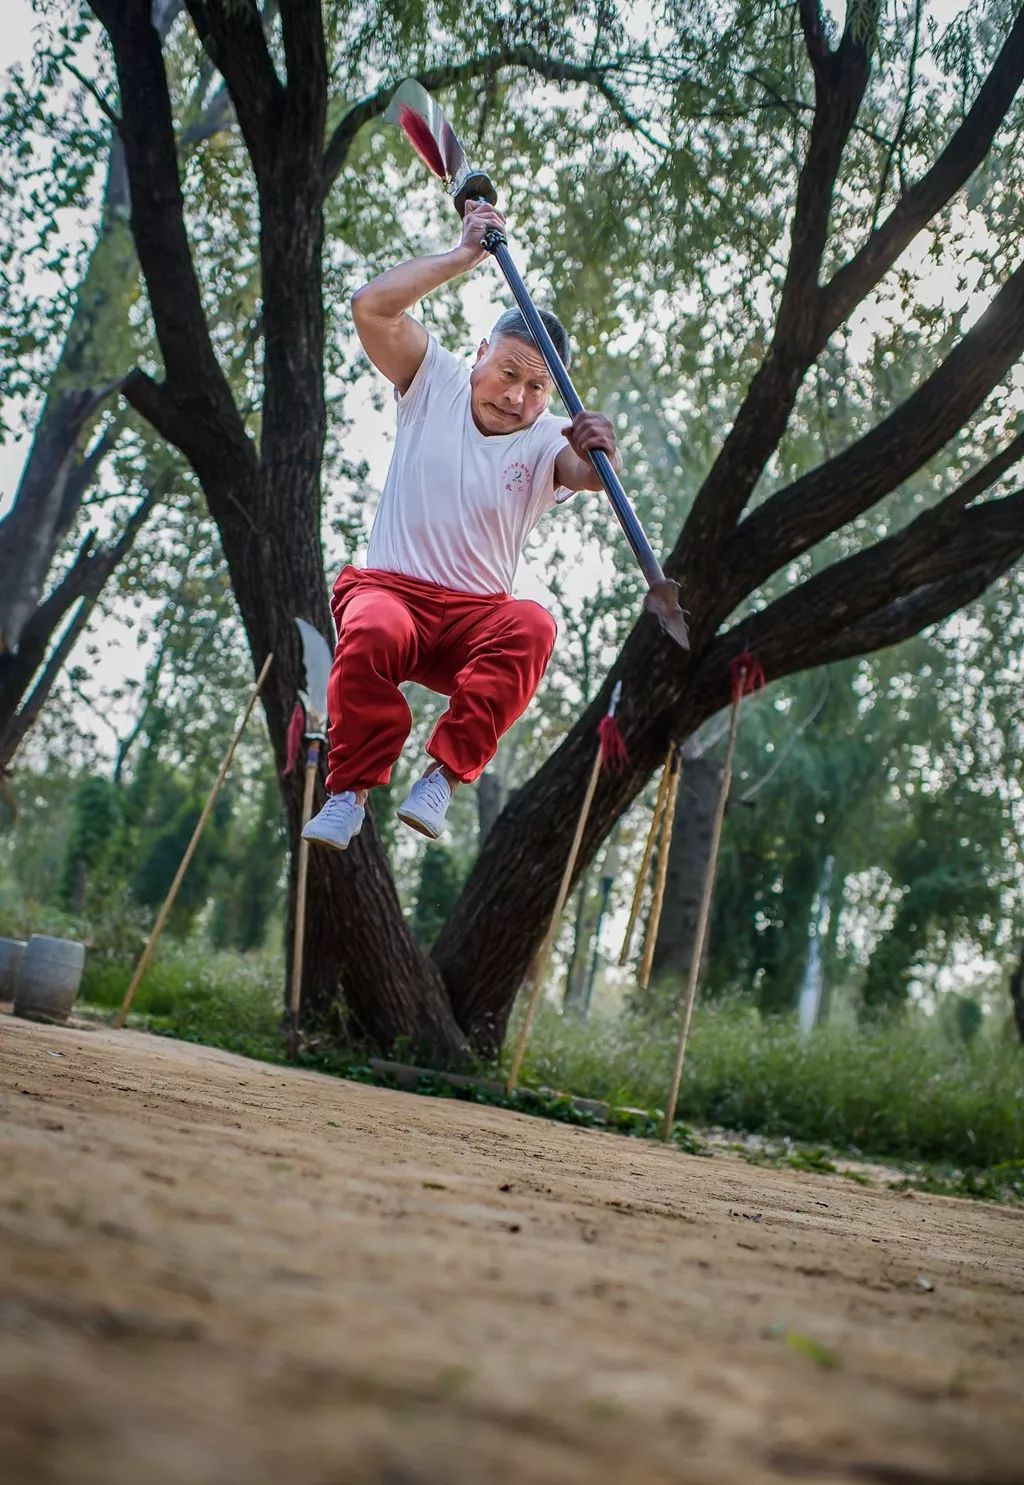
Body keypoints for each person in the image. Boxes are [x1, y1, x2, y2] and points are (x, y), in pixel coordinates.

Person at [302, 199, 621, 850]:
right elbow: (371, 307)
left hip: (474, 621)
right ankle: (350, 792)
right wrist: (463, 256)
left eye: (536, 388)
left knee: (534, 623)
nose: (516, 398)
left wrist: (602, 451)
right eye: (508, 373)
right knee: (371, 628)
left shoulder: (547, 438)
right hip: (392, 594)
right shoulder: (434, 379)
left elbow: (583, 473)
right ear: (481, 354)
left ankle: (442, 779)